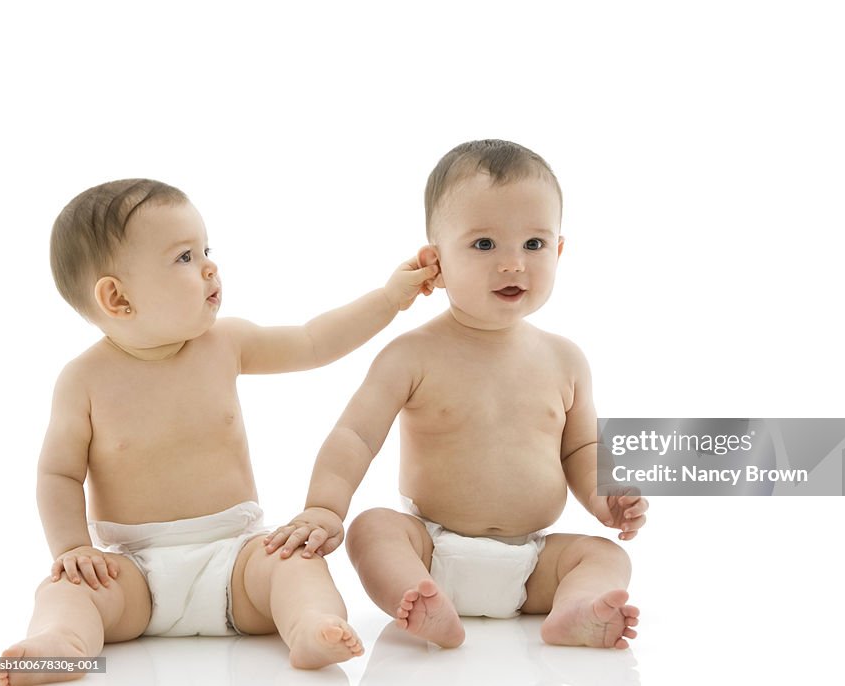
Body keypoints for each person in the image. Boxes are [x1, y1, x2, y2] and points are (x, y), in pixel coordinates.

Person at [0, 178, 437, 684]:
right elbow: (58, 472)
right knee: (64, 591)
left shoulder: (224, 343)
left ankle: (312, 626)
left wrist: (390, 298)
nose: (210, 266)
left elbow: (314, 341)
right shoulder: (83, 381)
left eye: (206, 250)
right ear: (117, 298)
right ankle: (63, 644)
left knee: (295, 563)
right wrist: (71, 548)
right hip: (135, 570)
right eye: (184, 257)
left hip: (237, 557)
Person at [265, 140, 647, 650]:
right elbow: (355, 437)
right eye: (484, 245)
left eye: (533, 245)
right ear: (436, 261)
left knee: (606, 557)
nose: (513, 265)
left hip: (532, 561)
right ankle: (419, 602)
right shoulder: (412, 355)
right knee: (372, 529)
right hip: (430, 550)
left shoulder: (566, 360)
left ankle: (575, 609)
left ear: (557, 251)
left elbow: (580, 450)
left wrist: (606, 498)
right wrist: (324, 509)